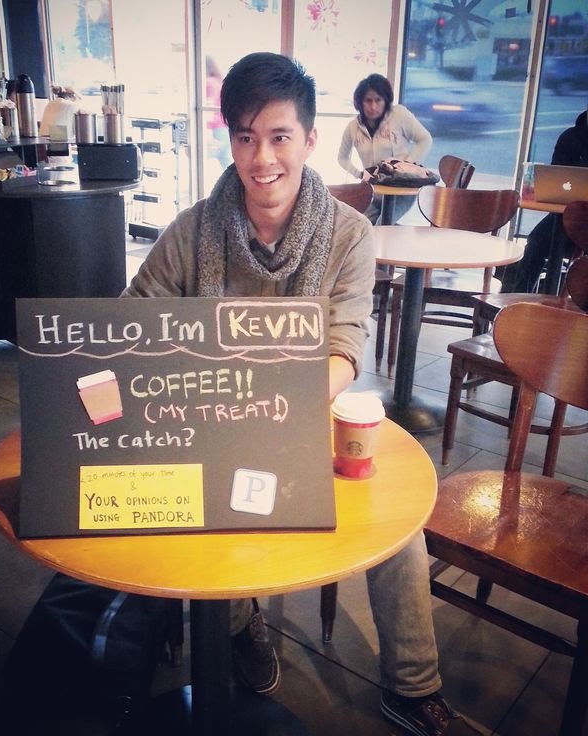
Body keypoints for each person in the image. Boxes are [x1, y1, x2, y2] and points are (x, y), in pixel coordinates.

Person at [123, 51, 482, 736]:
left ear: (311, 140)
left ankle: (411, 687)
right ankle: (235, 623)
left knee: (396, 523)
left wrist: (276, 409)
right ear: (228, 139)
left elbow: (345, 347)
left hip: (310, 419)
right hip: (206, 425)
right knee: (207, 511)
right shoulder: (193, 231)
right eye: (245, 137)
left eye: (279, 136)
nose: (262, 159)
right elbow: (134, 318)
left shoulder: (348, 234)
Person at [501, 107, 588, 293]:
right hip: (564, 214)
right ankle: (519, 298)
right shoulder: (570, 137)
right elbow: (556, 178)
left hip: (580, 218)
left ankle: (575, 309)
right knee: (535, 242)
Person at [337, 73, 432, 224]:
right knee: (358, 227)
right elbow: (342, 158)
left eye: (378, 100)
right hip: (374, 192)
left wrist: (407, 164)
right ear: (360, 102)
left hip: (401, 191)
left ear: (385, 100)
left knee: (383, 226)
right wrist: (359, 174)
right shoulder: (353, 127)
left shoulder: (399, 115)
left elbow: (425, 139)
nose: (373, 106)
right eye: (368, 100)